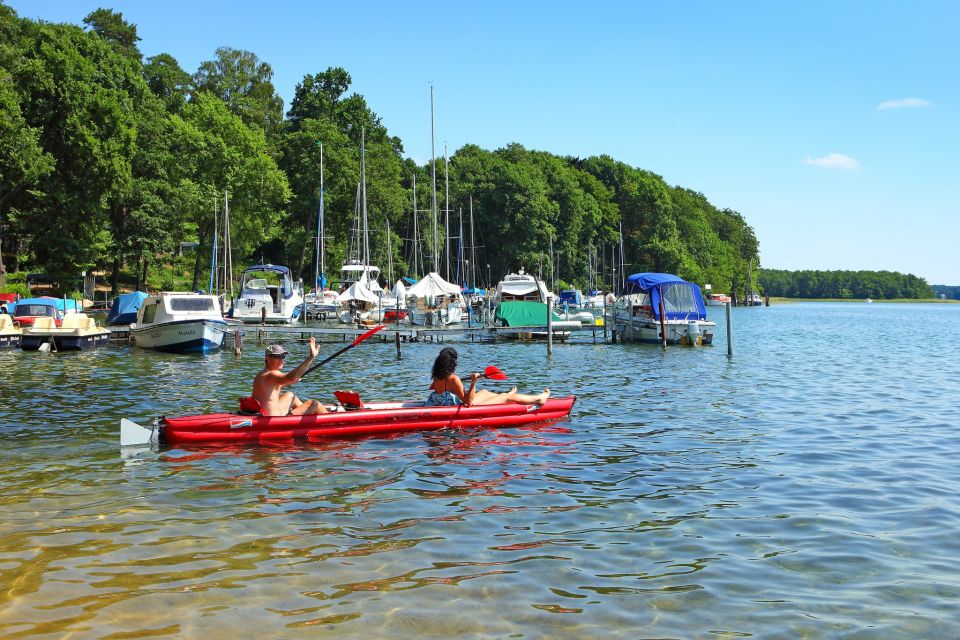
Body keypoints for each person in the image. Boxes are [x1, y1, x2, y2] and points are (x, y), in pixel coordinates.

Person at [426, 346, 549, 407]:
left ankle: (509, 393)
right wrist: (473, 382)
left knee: (484, 391)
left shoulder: (437, 377)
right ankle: (538, 400)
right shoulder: (454, 379)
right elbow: (467, 402)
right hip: (463, 407)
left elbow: (432, 388)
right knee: (506, 397)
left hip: (447, 404)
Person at [252, 338, 328, 416]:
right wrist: (311, 357)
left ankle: (306, 414)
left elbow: (279, 385)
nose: (281, 360)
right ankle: (331, 420)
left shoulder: (261, 375)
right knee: (314, 404)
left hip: (266, 414)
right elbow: (292, 377)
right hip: (273, 419)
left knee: (290, 396)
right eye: (277, 356)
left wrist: (292, 380)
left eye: (283, 356)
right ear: (268, 358)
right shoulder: (271, 374)